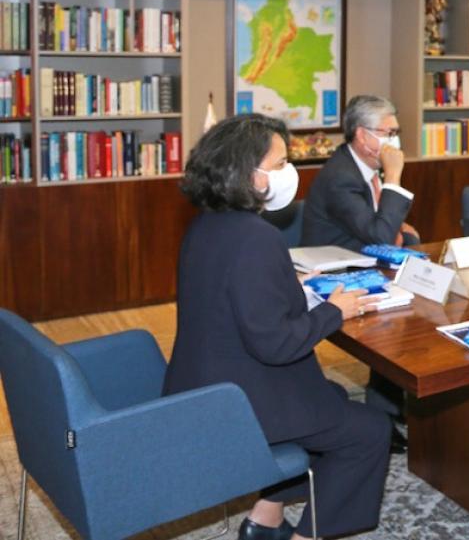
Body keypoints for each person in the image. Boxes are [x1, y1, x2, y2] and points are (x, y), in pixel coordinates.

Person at [164, 114, 389, 540]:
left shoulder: (206, 224)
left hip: (204, 382)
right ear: (252, 176)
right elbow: (276, 345)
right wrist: (335, 310)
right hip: (241, 399)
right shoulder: (256, 238)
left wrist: (291, 286)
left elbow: (235, 299)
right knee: (369, 431)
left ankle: (264, 519)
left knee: (333, 396)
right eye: (282, 162)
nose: (290, 172)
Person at [301, 94, 419, 250]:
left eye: (396, 133)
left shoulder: (368, 164)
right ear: (362, 135)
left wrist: (400, 230)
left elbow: (377, 223)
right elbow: (381, 238)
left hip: (364, 258)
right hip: (335, 268)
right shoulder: (340, 178)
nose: (394, 140)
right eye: (389, 133)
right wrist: (393, 177)